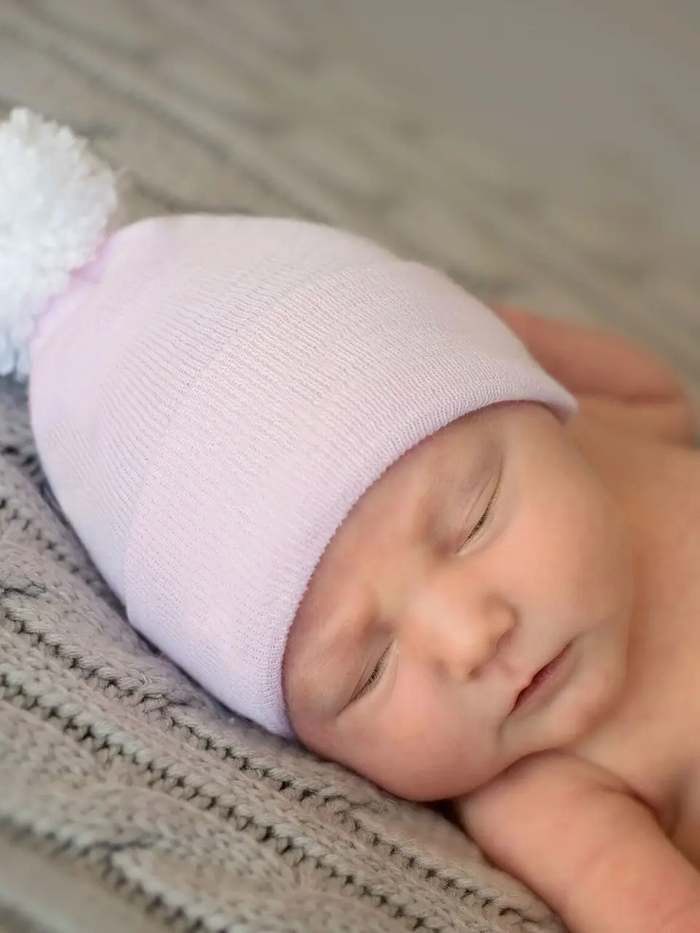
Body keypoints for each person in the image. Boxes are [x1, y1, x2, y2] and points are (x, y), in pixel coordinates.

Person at [3, 108, 699, 933]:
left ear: (530, 388)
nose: (471, 637)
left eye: (474, 518)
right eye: (367, 671)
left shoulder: (602, 432)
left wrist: (495, 335)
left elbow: (660, 391)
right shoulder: (546, 792)